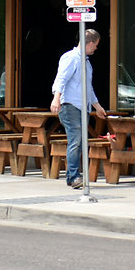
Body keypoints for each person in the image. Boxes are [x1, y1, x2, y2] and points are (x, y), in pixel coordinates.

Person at [51, 29, 106, 187]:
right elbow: (61, 78)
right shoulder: (71, 58)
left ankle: (74, 175)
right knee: (76, 140)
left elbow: (88, 88)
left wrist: (97, 106)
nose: (96, 48)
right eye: (95, 45)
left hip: (83, 107)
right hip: (70, 105)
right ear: (90, 43)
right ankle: (73, 176)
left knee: (80, 141)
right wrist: (56, 98)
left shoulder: (86, 63)